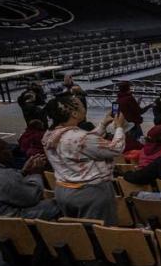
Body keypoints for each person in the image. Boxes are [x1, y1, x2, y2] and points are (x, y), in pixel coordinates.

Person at [42, 94, 125, 224]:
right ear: (74, 114)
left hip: (63, 190)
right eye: (80, 104)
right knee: (98, 233)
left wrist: (103, 124)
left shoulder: (50, 135)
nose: (83, 106)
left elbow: (82, 143)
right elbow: (116, 148)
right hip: (90, 193)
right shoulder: (81, 138)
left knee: (77, 230)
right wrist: (119, 127)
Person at [0, 139, 59, 220]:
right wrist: (35, 173)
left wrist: (23, 172)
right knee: (58, 203)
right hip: (3, 221)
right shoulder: (4, 175)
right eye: (7, 151)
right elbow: (33, 198)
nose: (11, 155)